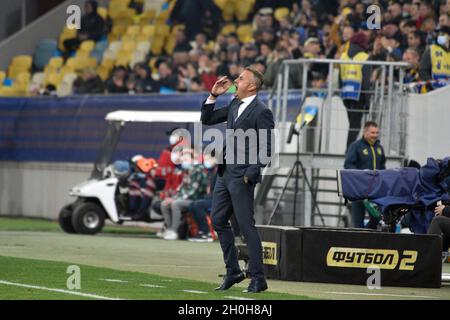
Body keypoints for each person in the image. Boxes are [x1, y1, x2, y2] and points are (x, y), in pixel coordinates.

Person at [201, 67, 274, 293]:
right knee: (218, 220)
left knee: (245, 226)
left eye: (240, 78)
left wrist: (250, 174)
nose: (235, 81)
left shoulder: (262, 111)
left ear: (251, 86)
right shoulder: (234, 104)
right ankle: (233, 271)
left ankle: (258, 277)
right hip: (225, 173)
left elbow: (267, 147)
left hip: (241, 176)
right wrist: (213, 96)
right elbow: (208, 119)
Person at [344, 121, 386, 229]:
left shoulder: (379, 148)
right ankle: (359, 240)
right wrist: (362, 176)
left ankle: (366, 236)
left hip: (374, 191)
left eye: (377, 133)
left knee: (376, 218)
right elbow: (348, 165)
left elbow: (382, 167)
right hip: (359, 191)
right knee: (358, 222)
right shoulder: (355, 146)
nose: (375, 135)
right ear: (365, 132)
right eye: (372, 132)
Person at [160, 148, 208, 240]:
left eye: (186, 160)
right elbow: (181, 189)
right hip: (186, 198)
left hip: (196, 199)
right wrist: (173, 198)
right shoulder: (187, 171)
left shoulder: (198, 170)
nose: (183, 162)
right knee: (164, 204)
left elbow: (193, 191)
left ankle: (174, 231)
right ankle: (169, 230)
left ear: (193, 160)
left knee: (176, 204)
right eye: (183, 160)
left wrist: (175, 199)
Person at [340, 32, 372, 149]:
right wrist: (368, 101)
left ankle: (350, 149)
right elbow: (366, 82)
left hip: (346, 94)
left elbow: (340, 77)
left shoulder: (343, 56)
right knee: (355, 126)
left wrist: (341, 94)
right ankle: (349, 150)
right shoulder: (365, 57)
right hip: (359, 94)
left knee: (352, 125)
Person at [187, 152, 218, 242]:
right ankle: (201, 231)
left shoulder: (220, 171)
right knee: (192, 205)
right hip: (211, 198)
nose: (206, 161)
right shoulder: (210, 172)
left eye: (208, 159)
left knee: (198, 205)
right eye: (205, 159)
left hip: (220, 200)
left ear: (215, 159)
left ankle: (207, 233)